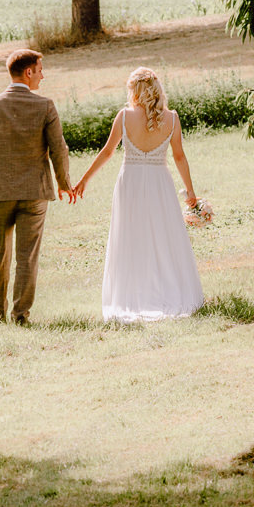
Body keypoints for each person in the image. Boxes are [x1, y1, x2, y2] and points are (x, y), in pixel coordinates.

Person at [74, 67, 204, 322]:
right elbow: (179, 157)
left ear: (134, 90)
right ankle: (168, 290)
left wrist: (84, 180)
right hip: (160, 183)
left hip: (131, 182)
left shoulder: (124, 117)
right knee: (163, 236)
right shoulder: (172, 118)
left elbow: (107, 152)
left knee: (131, 236)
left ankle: (133, 295)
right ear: (156, 89)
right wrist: (191, 192)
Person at [0, 49, 74, 324]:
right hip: (34, 193)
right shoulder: (44, 106)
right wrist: (64, 183)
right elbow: (59, 149)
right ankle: (20, 314)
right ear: (28, 72)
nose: (43, 75)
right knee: (27, 256)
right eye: (40, 69)